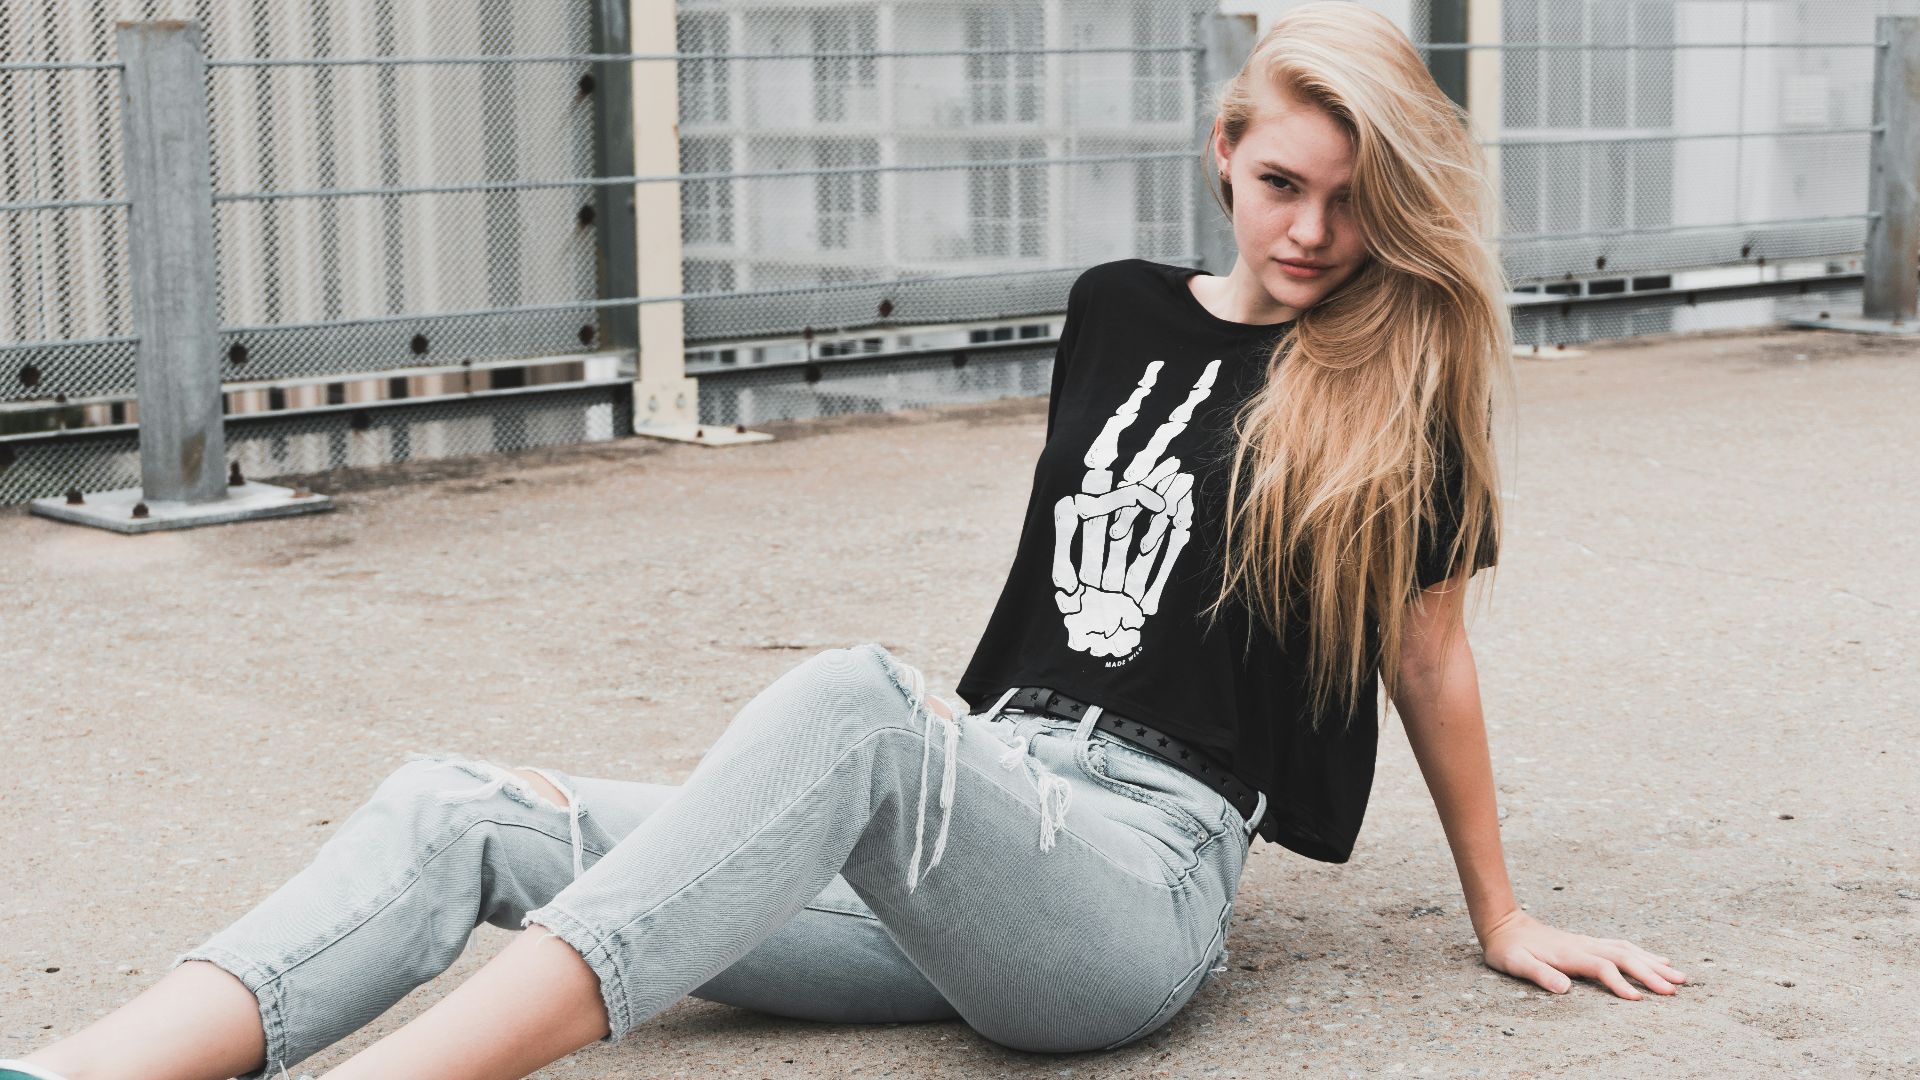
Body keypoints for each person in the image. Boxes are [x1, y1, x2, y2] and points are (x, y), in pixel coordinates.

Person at [4, 5, 1686, 1079]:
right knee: (453, 808)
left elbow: (1428, 655)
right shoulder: (1110, 312)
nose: (1313, 232)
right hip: (968, 813)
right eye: (1283, 186)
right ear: (1225, 159)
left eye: (1352, 203)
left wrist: (1500, 912)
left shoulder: (1393, 390)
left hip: (1132, 886)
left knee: (860, 703)